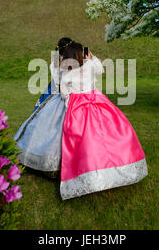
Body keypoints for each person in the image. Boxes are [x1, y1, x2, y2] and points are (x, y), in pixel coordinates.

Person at [58, 42, 148, 200]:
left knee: (84, 141)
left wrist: (73, 95)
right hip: (97, 101)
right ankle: (118, 166)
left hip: (78, 107)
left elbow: (64, 94)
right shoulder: (90, 66)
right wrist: (92, 57)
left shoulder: (66, 73)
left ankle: (88, 174)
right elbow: (100, 69)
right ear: (82, 54)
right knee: (110, 131)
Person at [14, 37, 73, 175]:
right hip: (64, 97)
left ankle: (35, 158)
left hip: (55, 96)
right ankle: (53, 165)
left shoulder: (56, 63)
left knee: (43, 128)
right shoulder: (68, 64)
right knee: (57, 131)